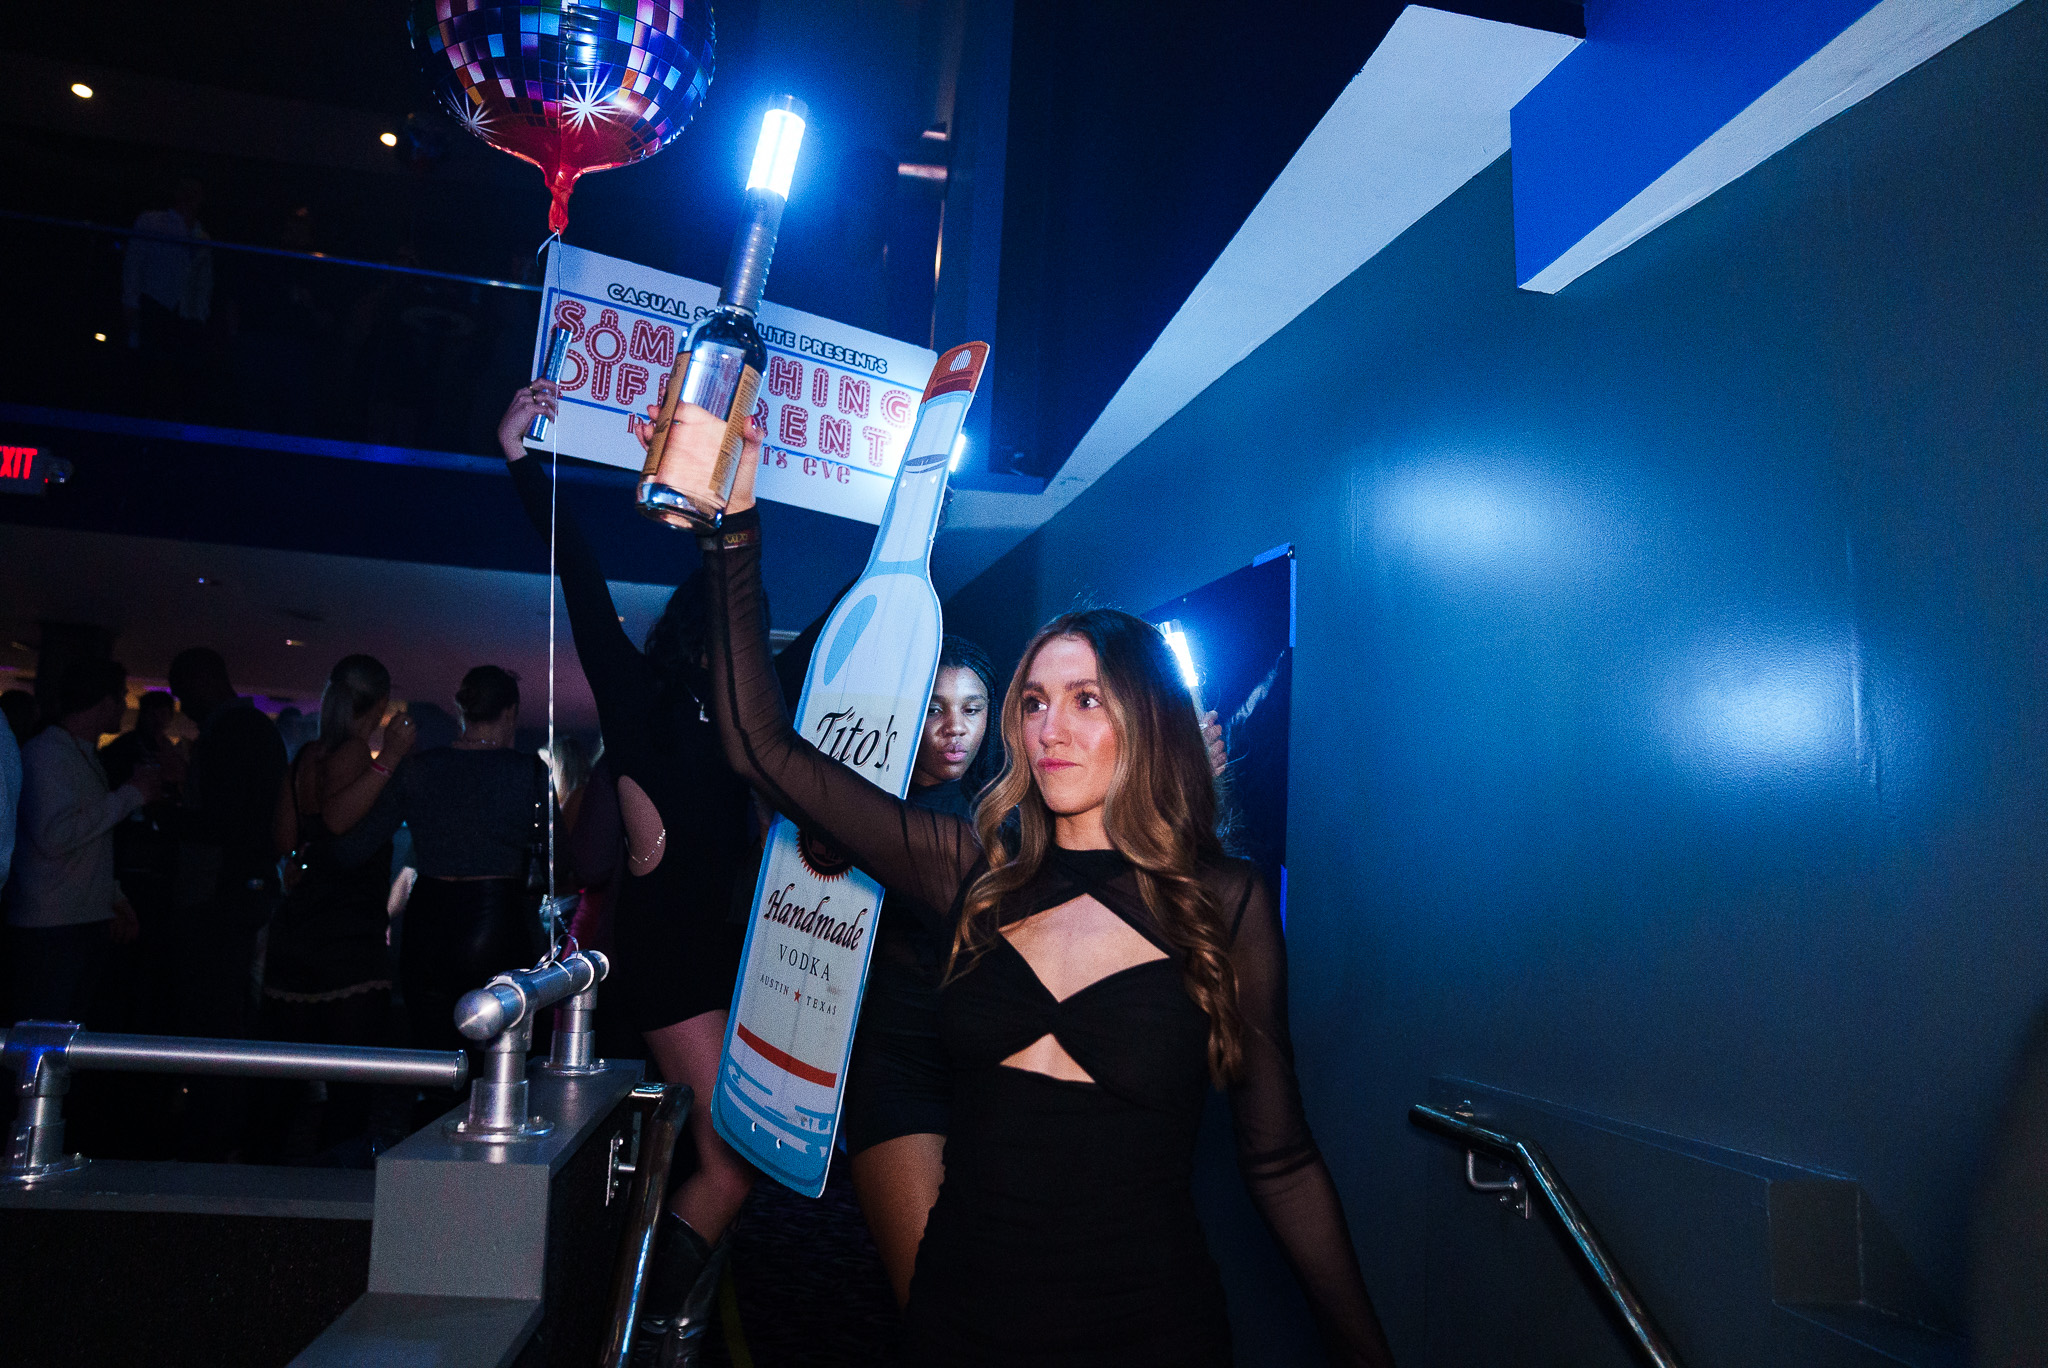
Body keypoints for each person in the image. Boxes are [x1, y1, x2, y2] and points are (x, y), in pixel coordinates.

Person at [686, 404, 1395, 1366]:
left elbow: (1281, 1160)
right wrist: (733, 526)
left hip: (1151, 1332)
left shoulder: (1224, 904)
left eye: (1085, 700)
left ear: (1145, 719)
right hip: (964, 1324)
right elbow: (759, 747)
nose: (1048, 729)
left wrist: (1366, 1352)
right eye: (1033, 702)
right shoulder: (972, 871)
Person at [331, 666, 548, 1070]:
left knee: (434, 1060)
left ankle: (431, 1109)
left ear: (460, 709)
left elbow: (356, 845)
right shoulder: (529, 771)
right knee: (499, 1063)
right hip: (496, 917)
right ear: (511, 712)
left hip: (427, 920)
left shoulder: (419, 767)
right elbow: (558, 861)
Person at [259, 655, 417, 1157]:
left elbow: (285, 841)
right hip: (344, 940)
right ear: (382, 703)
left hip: (297, 934)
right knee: (348, 1091)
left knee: (284, 1089)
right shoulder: (353, 753)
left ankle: (264, 1183)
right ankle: (333, 1193)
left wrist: (297, 863)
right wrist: (390, 757)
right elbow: (337, 821)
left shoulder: (306, 756)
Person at [163, 646, 288, 1159]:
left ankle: (217, 1126)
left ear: (204, 682)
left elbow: (227, 822)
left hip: (224, 891)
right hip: (239, 887)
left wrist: (168, 812)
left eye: (183, 693)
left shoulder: (233, 731)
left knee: (217, 1011)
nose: (182, 704)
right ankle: (225, 1121)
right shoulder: (248, 729)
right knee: (227, 1007)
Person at [7, 659, 155, 1023]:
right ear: (104, 701)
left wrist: (114, 897)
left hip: (75, 921)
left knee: (62, 1031)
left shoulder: (78, 753)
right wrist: (131, 794)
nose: (124, 706)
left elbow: (86, 840)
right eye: (121, 697)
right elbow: (54, 836)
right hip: (51, 926)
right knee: (45, 1032)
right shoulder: (47, 753)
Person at [122, 177, 213, 417]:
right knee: (150, 375)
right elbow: (134, 263)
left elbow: (204, 281)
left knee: (179, 381)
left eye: (196, 190)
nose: (191, 195)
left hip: (187, 315)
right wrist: (130, 303)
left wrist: (201, 316)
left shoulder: (202, 235)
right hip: (155, 305)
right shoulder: (152, 220)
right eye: (186, 189)